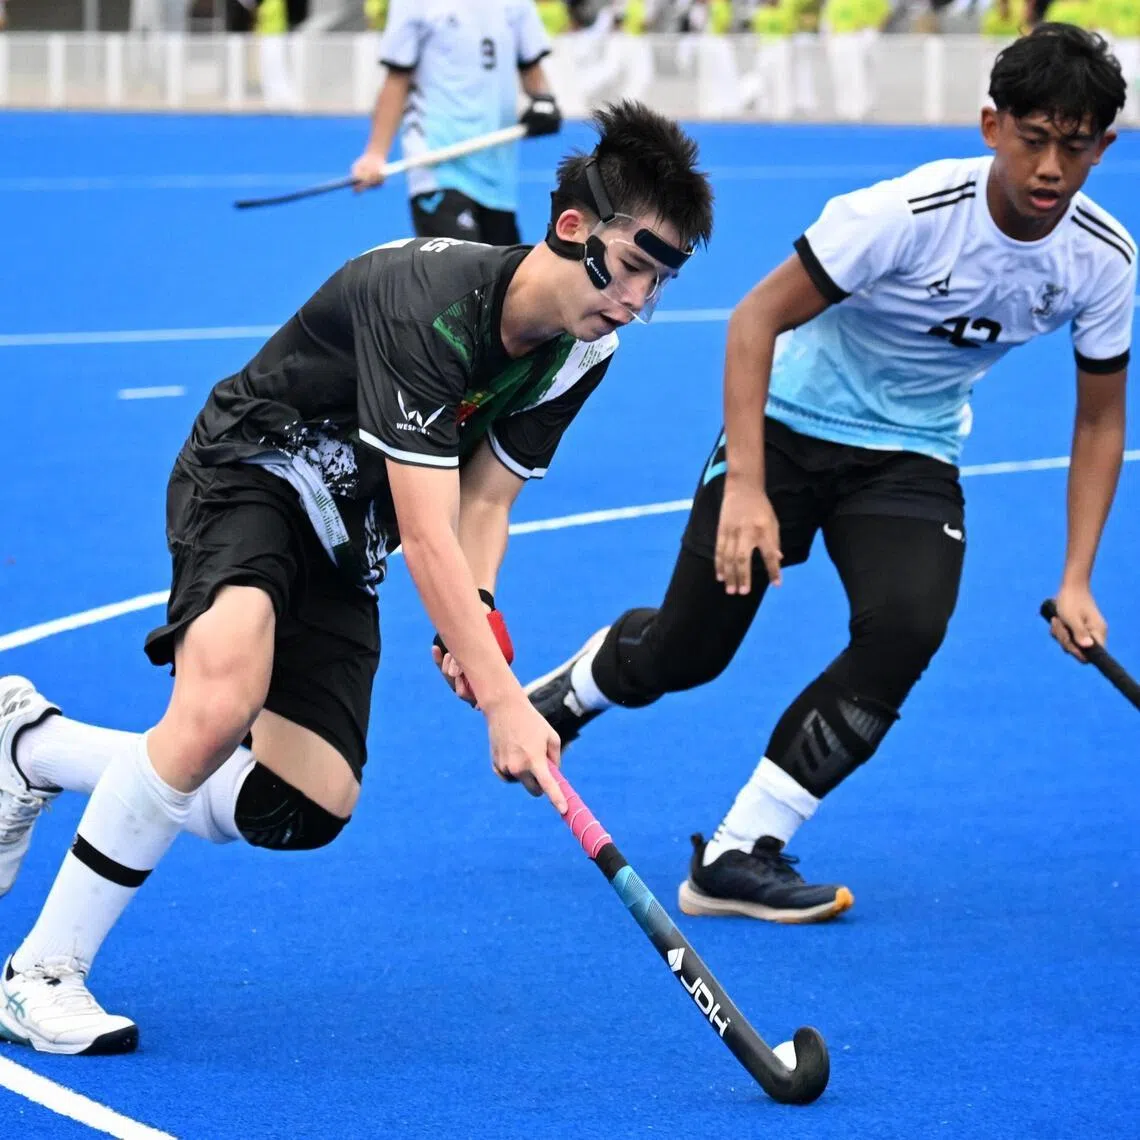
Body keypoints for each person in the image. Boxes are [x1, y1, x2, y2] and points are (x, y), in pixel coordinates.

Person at [0, 99, 714, 1056]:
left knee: (308, 803)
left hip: (347, 530)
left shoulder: (583, 353)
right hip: (255, 471)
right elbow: (428, 540)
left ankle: (33, 749)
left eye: (659, 285)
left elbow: (485, 502)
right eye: (631, 269)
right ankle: (42, 973)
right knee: (217, 703)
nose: (634, 301)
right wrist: (506, 700)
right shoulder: (429, 306)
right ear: (574, 227)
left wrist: (482, 617)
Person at [526, 24, 1135, 924]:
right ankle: (575, 687)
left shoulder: (1104, 259)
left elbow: (1099, 419)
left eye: (1076, 146)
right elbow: (753, 321)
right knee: (688, 655)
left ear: (1106, 145)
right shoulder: (906, 215)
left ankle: (739, 850)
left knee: (907, 627)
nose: (1051, 167)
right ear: (990, 125)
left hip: (911, 455)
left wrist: (1077, 577)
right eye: (1033, 138)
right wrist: (746, 487)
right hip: (785, 431)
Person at [351, 0, 563, 245]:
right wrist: (375, 154)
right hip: (437, 168)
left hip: (498, 178)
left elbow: (532, 69)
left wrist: (544, 102)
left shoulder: (517, 4)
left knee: (504, 282)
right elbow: (396, 79)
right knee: (464, 278)